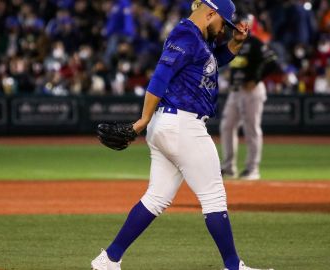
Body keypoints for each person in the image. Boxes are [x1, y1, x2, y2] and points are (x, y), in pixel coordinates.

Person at [91, 1, 273, 270]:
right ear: (211, 14)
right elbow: (159, 78)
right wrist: (142, 120)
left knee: (156, 197)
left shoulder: (197, 39)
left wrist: (235, 44)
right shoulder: (186, 34)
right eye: (223, 23)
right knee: (213, 197)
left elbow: (212, 63)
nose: (224, 29)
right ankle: (233, 267)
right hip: (183, 125)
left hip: (170, 126)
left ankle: (109, 259)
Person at [219, 13, 279, 180]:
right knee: (227, 126)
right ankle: (229, 167)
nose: (238, 25)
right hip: (235, 90)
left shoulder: (255, 42)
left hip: (252, 91)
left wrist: (256, 79)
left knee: (251, 129)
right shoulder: (232, 43)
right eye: (236, 23)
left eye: (241, 22)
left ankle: (253, 168)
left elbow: (272, 62)